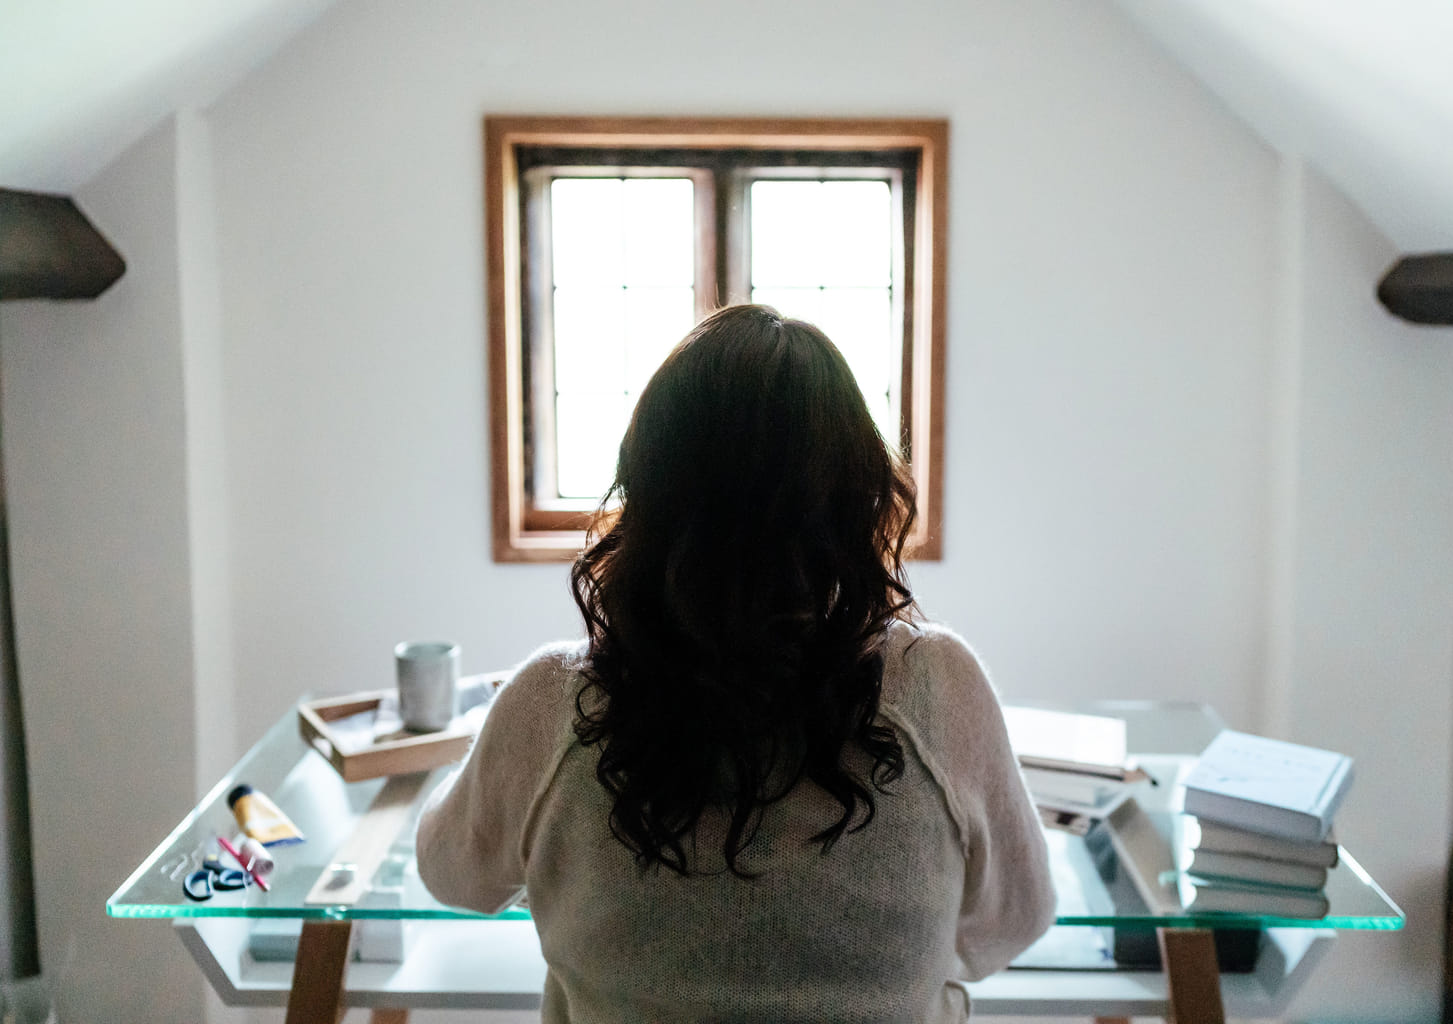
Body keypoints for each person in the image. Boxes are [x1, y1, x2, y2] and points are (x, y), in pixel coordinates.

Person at [416, 304, 1056, 1022]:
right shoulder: (938, 684)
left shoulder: (552, 702)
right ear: (856, 498)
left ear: (648, 493)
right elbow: (1015, 921)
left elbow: (453, 878)